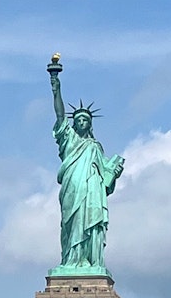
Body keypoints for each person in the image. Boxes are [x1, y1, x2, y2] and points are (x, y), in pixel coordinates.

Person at [50, 64, 124, 270]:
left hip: (92, 191)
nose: (82, 122)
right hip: (72, 187)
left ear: (90, 124)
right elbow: (59, 115)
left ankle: (89, 261)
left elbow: (106, 178)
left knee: (90, 223)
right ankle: (71, 260)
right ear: (74, 124)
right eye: (79, 119)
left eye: (86, 120)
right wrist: (56, 87)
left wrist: (114, 173)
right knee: (71, 223)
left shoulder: (95, 147)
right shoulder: (69, 139)